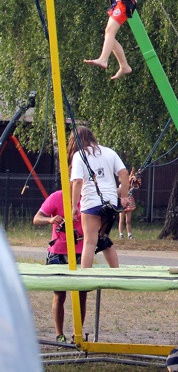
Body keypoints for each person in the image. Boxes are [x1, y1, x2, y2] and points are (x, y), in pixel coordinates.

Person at [68, 126, 130, 269]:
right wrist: (124, 196)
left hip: (91, 203)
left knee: (90, 241)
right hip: (111, 202)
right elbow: (124, 174)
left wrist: (74, 206)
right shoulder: (109, 152)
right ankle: (116, 272)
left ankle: (85, 277)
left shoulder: (80, 155)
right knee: (103, 238)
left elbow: (77, 181)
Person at [33, 190, 87, 343]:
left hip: (80, 252)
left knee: (81, 295)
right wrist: (50, 220)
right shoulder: (57, 196)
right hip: (58, 252)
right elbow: (36, 218)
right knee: (59, 295)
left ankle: (77, 335)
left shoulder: (87, 196)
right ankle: (59, 335)